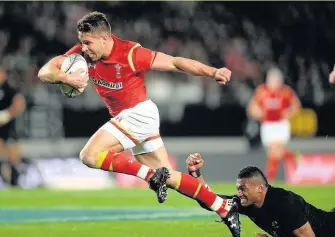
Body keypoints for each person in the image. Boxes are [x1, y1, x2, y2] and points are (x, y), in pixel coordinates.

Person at [38, 11, 241, 236]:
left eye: (88, 42)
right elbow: (45, 71)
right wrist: (65, 78)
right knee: (171, 177)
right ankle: (223, 207)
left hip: (139, 114)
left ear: (105, 38)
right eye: (81, 43)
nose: (83, 48)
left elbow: (175, 63)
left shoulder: (130, 53)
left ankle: (150, 176)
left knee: (89, 155)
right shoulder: (81, 55)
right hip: (129, 119)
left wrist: (213, 72)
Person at [186, 153, 335, 237]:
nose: (239, 193)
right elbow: (210, 201)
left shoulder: (285, 203)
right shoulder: (248, 203)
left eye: (243, 188)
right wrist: (195, 173)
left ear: (260, 188)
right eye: (238, 188)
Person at [247, 68, 301, 181]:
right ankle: (290, 157)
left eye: (276, 80)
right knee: (273, 152)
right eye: (272, 80)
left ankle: (269, 178)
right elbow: (252, 108)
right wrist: (258, 113)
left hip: (281, 124)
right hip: (267, 125)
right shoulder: (261, 91)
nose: (274, 82)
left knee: (275, 150)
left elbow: (296, 106)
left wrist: (289, 113)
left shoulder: (286, 91)